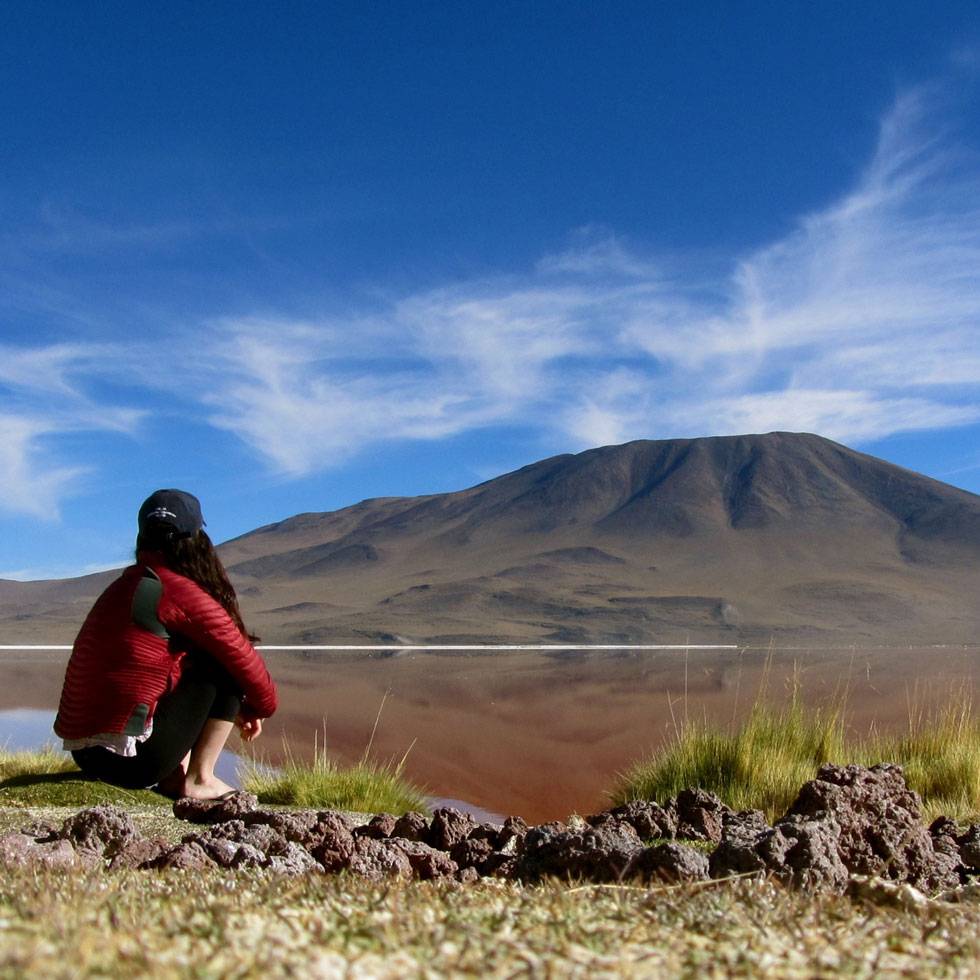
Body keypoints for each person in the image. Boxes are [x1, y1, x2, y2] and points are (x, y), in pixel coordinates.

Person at [54, 489, 278, 800]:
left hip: (87, 756)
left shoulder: (123, 586)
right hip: (135, 763)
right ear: (195, 540)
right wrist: (254, 708)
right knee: (222, 666)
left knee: (179, 660)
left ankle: (176, 777)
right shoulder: (176, 592)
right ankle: (200, 779)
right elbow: (247, 664)